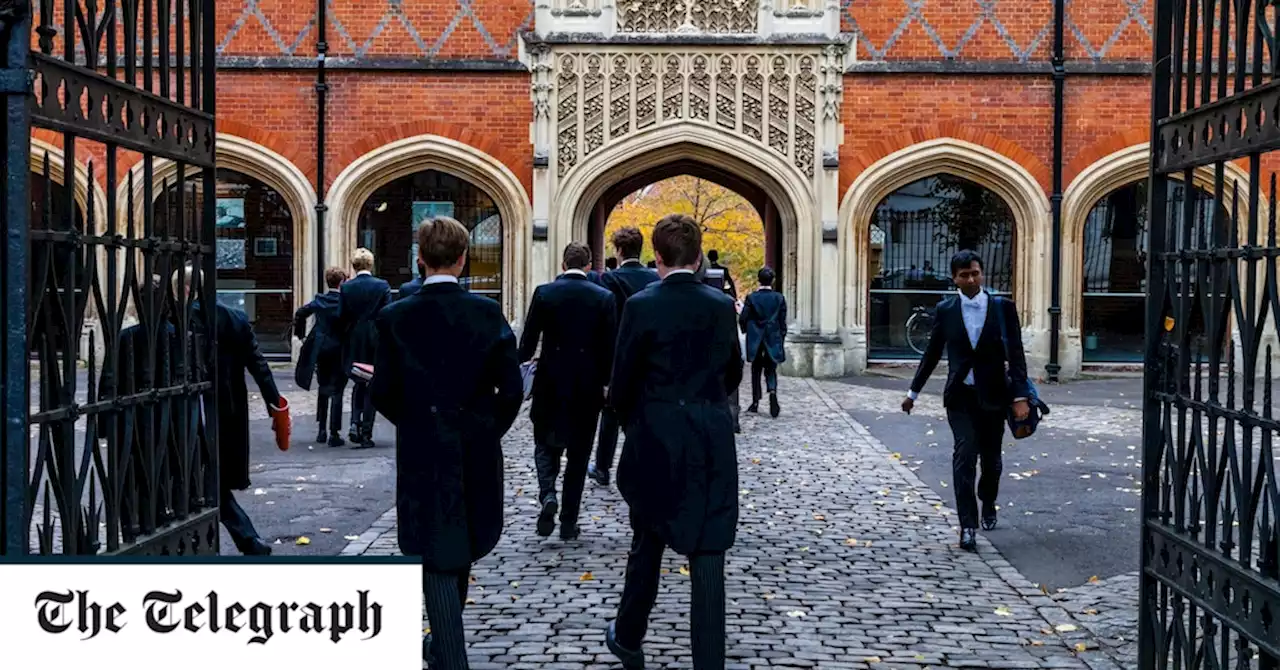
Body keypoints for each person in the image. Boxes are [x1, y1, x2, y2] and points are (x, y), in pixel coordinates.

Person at [372, 216, 523, 669]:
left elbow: (382, 391)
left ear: (420, 259)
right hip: (474, 441)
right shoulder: (486, 313)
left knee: (437, 544)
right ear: (462, 259)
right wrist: (486, 427)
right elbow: (512, 389)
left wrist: (416, 422)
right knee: (458, 540)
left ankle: (445, 647)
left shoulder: (396, 316)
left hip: (423, 445)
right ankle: (447, 648)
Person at [605, 214, 742, 670]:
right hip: (709, 435)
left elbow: (621, 380)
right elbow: (733, 370)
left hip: (656, 433)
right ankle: (709, 660)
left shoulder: (642, 305)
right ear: (699, 256)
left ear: (657, 258)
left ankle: (628, 635)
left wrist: (636, 421)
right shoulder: (720, 305)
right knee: (708, 550)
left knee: (648, 538)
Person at [901, 249, 1031, 552]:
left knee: (992, 462)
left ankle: (988, 501)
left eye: (975, 273)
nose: (970, 279)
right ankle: (967, 526)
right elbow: (932, 353)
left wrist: (1021, 396)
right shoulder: (946, 310)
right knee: (964, 455)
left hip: (995, 395)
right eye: (964, 275)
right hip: (960, 396)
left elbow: (1017, 354)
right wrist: (913, 393)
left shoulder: (1002, 308)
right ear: (954, 279)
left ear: (981, 274)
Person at [176, 264, 288, 556]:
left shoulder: (178, 319)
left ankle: (222, 540)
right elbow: (260, 366)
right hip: (227, 411)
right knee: (209, 478)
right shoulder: (235, 318)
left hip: (188, 410)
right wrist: (275, 404)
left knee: (198, 477)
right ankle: (242, 540)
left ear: (186, 289)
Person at [518, 242, 617, 540]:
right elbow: (609, 350)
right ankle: (568, 522)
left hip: (550, 381)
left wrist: (521, 366)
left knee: (544, 444)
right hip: (586, 387)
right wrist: (605, 383)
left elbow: (527, 341)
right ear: (588, 266)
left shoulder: (545, 293)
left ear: (563, 264)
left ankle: (548, 492)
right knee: (578, 454)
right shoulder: (604, 297)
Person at [588, 226, 660, 487]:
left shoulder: (608, 280)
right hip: (648, 355)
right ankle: (642, 463)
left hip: (616, 354)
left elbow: (601, 322)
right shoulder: (654, 280)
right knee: (641, 412)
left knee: (610, 412)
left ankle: (603, 467)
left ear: (618, 250)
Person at [336, 247, 390, 449]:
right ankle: (366, 432)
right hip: (375, 337)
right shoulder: (381, 285)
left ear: (354, 265)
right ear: (371, 264)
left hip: (354, 337)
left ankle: (354, 423)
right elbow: (387, 313)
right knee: (371, 383)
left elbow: (341, 315)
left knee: (358, 381)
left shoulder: (347, 288)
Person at [294, 266, 350, 447]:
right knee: (338, 389)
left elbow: (301, 313)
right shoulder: (344, 301)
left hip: (321, 347)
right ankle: (334, 433)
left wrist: (300, 334)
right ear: (342, 282)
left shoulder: (320, 300)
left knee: (323, 387)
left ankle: (321, 431)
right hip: (339, 347)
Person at [739, 266, 787, 419]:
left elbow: (743, 318)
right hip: (772, 336)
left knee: (756, 370)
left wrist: (746, 329)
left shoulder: (752, 298)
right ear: (772, 280)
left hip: (756, 339)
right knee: (771, 369)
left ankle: (755, 402)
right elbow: (782, 322)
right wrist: (781, 336)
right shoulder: (779, 298)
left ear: (759, 280)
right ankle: (772, 392)